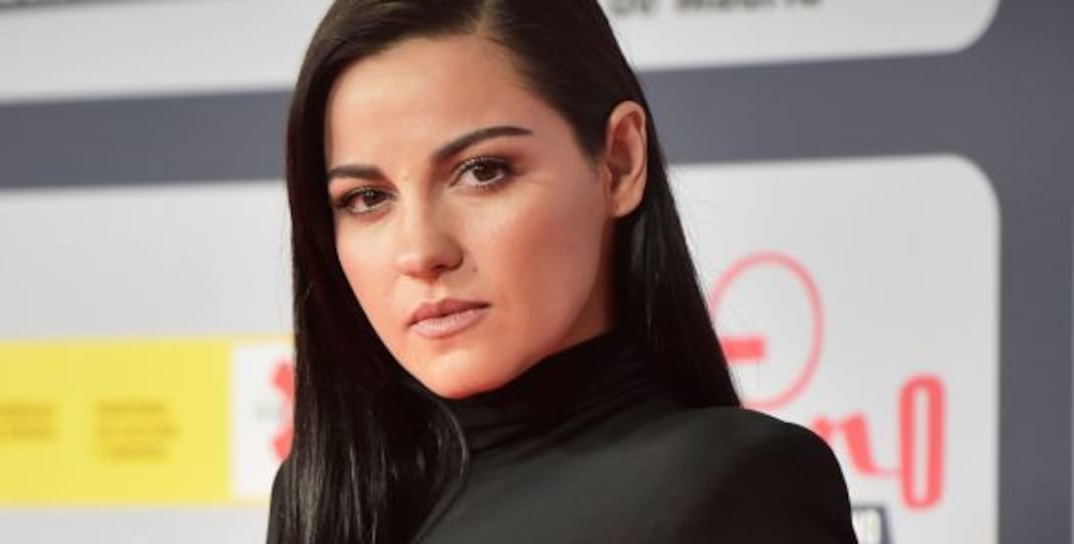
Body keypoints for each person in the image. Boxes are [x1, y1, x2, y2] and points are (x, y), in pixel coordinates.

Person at [268, 1, 858, 542]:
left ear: (620, 161)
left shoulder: (738, 485)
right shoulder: (327, 495)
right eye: (367, 198)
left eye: (483, 171)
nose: (421, 252)